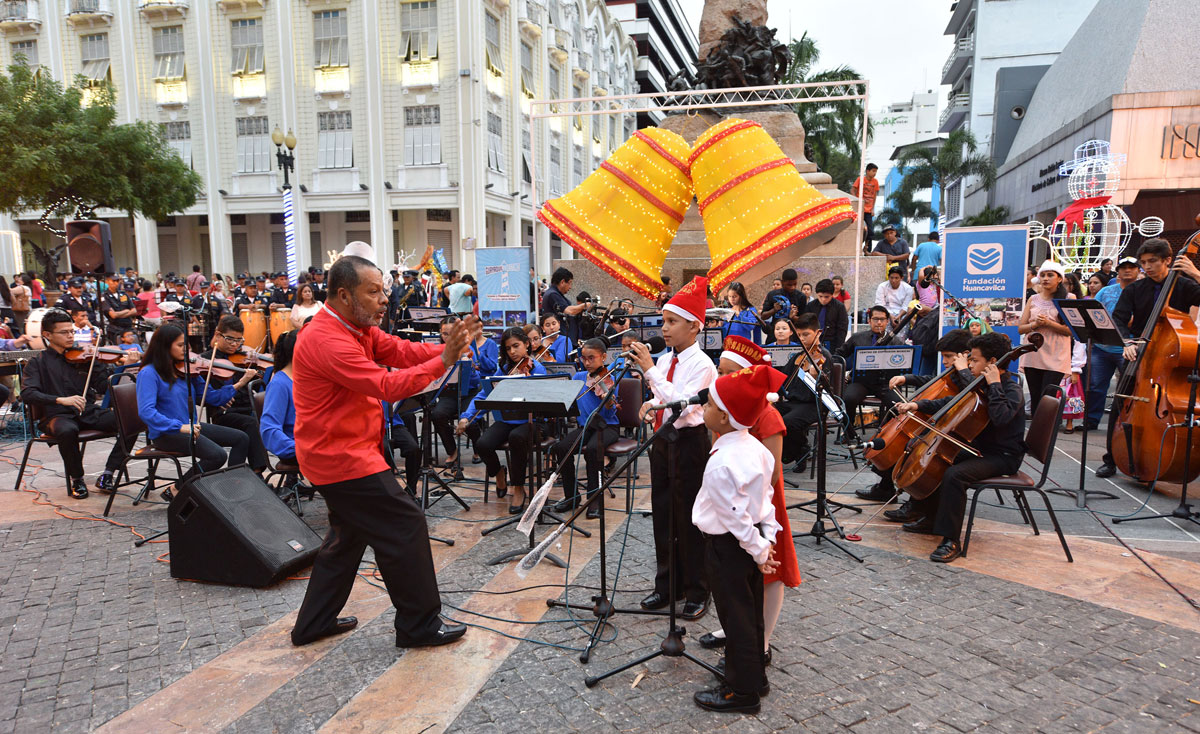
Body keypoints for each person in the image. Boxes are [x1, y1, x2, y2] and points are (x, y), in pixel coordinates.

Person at [289, 254, 478, 650]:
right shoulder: (326, 339)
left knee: (346, 540)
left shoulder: (355, 327)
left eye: (383, 291)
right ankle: (418, 625)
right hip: (339, 458)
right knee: (405, 523)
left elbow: (399, 351)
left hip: (350, 452)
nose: (383, 300)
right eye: (373, 292)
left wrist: (447, 347)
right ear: (343, 295)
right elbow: (387, 385)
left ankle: (313, 624)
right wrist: (444, 360)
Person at [698, 340, 801, 683]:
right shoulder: (737, 436)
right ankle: (749, 660)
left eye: (727, 373)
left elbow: (750, 494)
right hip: (752, 521)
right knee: (742, 601)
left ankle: (744, 677)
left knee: (744, 599)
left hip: (748, 518)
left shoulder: (752, 432)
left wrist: (761, 542)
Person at [690, 364, 784, 713]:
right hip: (750, 542)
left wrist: (759, 548)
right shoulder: (756, 449)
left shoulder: (722, 462)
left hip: (730, 546)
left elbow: (735, 515)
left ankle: (740, 692)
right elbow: (765, 500)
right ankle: (754, 676)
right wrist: (767, 537)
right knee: (750, 612)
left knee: (735, 618)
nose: (705, 409)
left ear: (727, 417)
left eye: (711, 405)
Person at [892, 332, 1026, 563]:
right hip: (980, 449)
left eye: (974, 360)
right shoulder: (980, 383)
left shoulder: (1010, 388)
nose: (969, 364)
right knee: (939, 459)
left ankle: (950, 540)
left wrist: (994, 385)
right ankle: (930, 517)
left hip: (1003, 455)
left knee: (955, 475)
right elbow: (951, 402)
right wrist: (917, 404)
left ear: (992, 363)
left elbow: (1001, 417)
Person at [627, 276, 716, 620]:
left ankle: (697, 588)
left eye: (672, 322)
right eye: (663, 321)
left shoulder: (702, 365)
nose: (664, 329)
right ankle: (667, 584)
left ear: (694, 326)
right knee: (663, 515)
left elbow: (685, 405)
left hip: (690, 444)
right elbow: (662, 397)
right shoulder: (665, 362)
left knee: (690, 518)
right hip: (663, 441)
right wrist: (649, 405)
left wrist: (650, 374)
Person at [1096, 239, 1200, 478]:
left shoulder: (1184, 286)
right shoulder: (1134, 289)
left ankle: (1162, 455)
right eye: (1144, 262)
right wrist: (1127, 342)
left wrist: (1195, 273)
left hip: (1169, 356)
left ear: (1168, 260)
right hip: (1139, 354)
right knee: (1122, 403)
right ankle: (1111, 458)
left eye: (1153, 261)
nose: (1147, 267)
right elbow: (1119, 320)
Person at [19, 310, 135, 498]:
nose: (71, 336)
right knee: (67, 430)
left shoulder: (85, 356)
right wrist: (60, 399)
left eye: (71, 331)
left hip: (87, 412)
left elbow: (104, 386)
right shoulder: (37, 363)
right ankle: (77, 479)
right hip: (56, 415)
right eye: (64, 332)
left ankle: (108, 473)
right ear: (47, 335)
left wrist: (124, 367)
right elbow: (27, 393)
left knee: (132, 422)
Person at [856, 328, 973, 502]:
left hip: (951, 429)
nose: (945, 361)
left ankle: (909, 498)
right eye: (943, 356)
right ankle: (886, 487)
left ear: (965, 354)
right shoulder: (955, 371)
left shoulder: (969, 376)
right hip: (939, 422)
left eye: (948, 356)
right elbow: (934, 381)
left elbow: (953, 401)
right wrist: (907, 378)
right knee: (900, 435)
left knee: (911, 445)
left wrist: (917, 404)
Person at [136, 324, 253, 495]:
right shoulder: (149, 373)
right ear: (164, 346)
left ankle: (232, 488)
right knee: (217, 455)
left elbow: (212, 398)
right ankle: (177, 488)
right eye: (180, 345)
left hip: (190, 427)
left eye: (186, 345)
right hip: (166, 432)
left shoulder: (186, 370)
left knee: (241, 438)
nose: (186, 349)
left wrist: (240, 383)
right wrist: (180, 427)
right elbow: (146, 412)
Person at [455, 326, 546, 513]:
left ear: (527, 345)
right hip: (508, 420)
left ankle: (519, 488)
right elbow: (484, 394)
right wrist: (466, 417)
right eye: (508, 348)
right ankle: (499, 473)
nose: (512, 352)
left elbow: (544, 400)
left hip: (532, 422)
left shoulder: (537, 368)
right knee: (482, 444)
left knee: (516, 438)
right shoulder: (503, 369)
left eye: (516, 346)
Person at [550, 338, 619, 519]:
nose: (587, 363)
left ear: (603, 357)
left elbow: (611, 413)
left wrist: (608, 400)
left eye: (591, 358)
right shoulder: (579, 377)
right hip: (586, 426)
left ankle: (594, 499)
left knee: (594, 449)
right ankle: (571, 496)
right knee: (562, 447)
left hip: (607, 426)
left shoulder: (610, 378)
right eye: (583, 359)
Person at [200, 315, 269, 476]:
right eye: (230, 339)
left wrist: (255, 370)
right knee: (251, 424)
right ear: (218, 334)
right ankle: (255, 474)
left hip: (247, 408)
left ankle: (258, 475)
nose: (234, 345)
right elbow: (203, 394)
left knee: (263, 420)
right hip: (225, 413)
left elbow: (259, 384)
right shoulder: (206, 360)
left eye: (239, 340)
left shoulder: (242, 358)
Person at [433, 316, 497, 468]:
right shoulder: (437, 351)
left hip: (469, 391)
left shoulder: (468, 350)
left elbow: (475, 381)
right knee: (437, 415)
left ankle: (477, 449)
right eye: (444, 334)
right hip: (448, 393)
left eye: (452, 333)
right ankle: (452, 451)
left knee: (470, 418)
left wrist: (469, 367)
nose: (448, 338)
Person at [1085, 257, 1138, 433]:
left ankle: (1122, 423)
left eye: (1132, 267)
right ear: (1118, 270)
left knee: (1127, 387)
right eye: (1124, 267)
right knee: (1095, 386)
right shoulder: (1106, 291)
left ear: (1138, 270)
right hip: (1101, 347)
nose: (1128, 271)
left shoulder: (1142, 291)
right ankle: (1091, 420)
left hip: (1128, 348)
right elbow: (1092, 311)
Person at [773, 315, 831, 471]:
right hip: (793, 401)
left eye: (806, 335)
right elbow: (783, 377)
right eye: (799, 335)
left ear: (818, 333)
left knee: (787, 422)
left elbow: (830, 391)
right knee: (766, 415)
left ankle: (800, 450)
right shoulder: (799, 356)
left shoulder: (825, 357)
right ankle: (784, 453)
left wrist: (816, 378)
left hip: (814, 404)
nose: (802, 339)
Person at [838, 305, 901, 440]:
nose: (879, 323)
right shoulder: (857, 338)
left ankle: (885, 432)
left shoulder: (896, 340)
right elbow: (839, 355)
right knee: (849, 398)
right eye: (875, 319)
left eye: (882, 319)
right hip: (862, 382)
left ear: (887, 321)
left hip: (885, 383)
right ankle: (849, 432)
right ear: (869, 320)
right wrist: (842, 373)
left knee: (897, 404)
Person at [1018, 260, 1073, 405]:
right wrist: (1035, 324)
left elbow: (1070, 331)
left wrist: (1049, 323)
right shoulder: (1033, 299)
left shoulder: (1069, 298)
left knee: (1048, 398)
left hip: (1056, 355)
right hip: (1033, 352)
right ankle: (1037, 428)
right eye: (1042, 275)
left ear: (1059, 278)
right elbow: (1020, 328)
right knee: (1035, 399)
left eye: (1050, 275)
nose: (1045, 278)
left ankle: (1049, 427)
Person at [259, 330, 298, 463]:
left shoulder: (307, 379)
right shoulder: (279, 384)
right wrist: (298, 448)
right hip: (295, 447)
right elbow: (269, 430)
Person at [540, 267, 592, 342]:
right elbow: (569, 310)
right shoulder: (553, 294)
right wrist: (585, 305)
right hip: (560, 339)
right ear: (562, 282)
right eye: (570, 283)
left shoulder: (555, 294)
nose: (570, 287)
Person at [805, 279, 849, 352]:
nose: (823, 300)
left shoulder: (839, 307)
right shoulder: (811, 306)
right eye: (820, 296)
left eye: (826, 297)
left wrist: (838, 349)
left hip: (832, 343)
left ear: (832, 295)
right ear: (816, 294)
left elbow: (842, 329)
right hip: (813, 341)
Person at [101, 272, 138, 344]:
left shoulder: (123, 294)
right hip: (116, 328)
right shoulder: (105, 296)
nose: (116, 283)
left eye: (117, 281)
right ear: (107, 282)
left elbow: (134, 310)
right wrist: (127, 311)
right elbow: (113, 315)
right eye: (113, 281)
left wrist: (119, 313)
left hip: (128, 327)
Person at [852, 163, 880, 256]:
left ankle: (867, 249)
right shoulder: (860, 179)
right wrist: (855, 202)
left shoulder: (875, 182)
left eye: (876, 171)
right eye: (873, 171)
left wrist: (872, 208)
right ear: (868, 171)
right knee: (857, 229)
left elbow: (874, 195)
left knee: (870, 231)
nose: (874, 173)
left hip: (868, 210)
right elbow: (853, 189)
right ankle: (856, 248)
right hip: (859, 209)